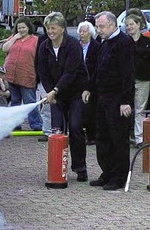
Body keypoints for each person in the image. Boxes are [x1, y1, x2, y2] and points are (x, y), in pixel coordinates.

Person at [82, 11, 134, 191]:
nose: (99, 30)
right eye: (97, 27)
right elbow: (98, 68)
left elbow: (128, 74)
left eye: (102, 26)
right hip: (102, 97)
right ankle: (107, 172)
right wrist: (89, 87)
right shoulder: (103, 44)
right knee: (102, 136)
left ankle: (119, 176)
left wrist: (126, 101)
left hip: (118, 98)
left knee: (118, 138)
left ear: (113, 25)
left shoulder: (124, 43)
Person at [37, 12, 88, 182]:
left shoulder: (73, 45)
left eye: (53, 28)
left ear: (62, 29)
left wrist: (55, 90)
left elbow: (71, 72)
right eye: (48, 28)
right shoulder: (44, 47)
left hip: (75, 93)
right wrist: (50, 91)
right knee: (57, 131)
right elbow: (42, 72)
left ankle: (80, 168)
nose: (50, 31)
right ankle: (57, 168)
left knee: (75, 127)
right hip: (56, 96)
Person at [2, 16, 43, 131]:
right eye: (19, 28)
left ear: (28, 27)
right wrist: (15, 37)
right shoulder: (14, 38)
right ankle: (15, 124)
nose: (21, 30)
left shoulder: (35, 40)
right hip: (11, 74)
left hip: (27, 74)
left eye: (23, 27)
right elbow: (4, 49)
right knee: (15, 101)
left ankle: (36, 124)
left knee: (29, 100)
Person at [125, 14, 150, 147]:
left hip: (142, 79)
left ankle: (139, 137)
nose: (129, 27)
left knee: (140, 109)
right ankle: (125, 135)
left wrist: (137, 53)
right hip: (127, 80)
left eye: (132, 24)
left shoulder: (147, 41)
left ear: (138, 24)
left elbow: (147, 56)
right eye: (127, 25)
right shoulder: (125, 41)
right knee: (126, 108)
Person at [78, 21, 100, 145]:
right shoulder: (76, 46)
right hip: (79, 83)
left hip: (93, 82)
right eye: (80, 31)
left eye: (84, 31)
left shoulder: (96, 47)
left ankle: (92, 136)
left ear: (90, 33)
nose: (82, 33)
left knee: (91, 110)